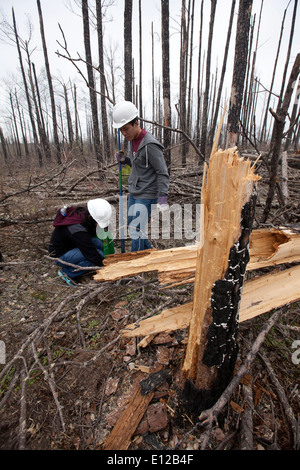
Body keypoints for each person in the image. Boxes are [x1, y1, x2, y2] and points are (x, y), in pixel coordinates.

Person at [112, 101, 170, 252]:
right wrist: (124, 160)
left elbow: (162, 172)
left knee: (135, 228)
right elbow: (139, 164)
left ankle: (136, 262)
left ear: (136, 123)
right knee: (134, 225)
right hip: (135, 190)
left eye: (126, 129)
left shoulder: (150, 145)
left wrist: (162, 197)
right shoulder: (132, 141)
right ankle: (148, 252)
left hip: (148, 192)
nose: (124, 133)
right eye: (121, 130)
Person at [48, 198, 112, 286]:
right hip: (60, 255)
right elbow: (91, 254)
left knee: (98, 244)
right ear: (91, 217)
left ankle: (81, 263)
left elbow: (90, 234)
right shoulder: (77, 229)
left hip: (71, 245)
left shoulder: (82, 213)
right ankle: (67, 273)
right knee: (96, 256)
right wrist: (107, 265)